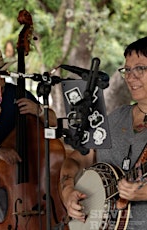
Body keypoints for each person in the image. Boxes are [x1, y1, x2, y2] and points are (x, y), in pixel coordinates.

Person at [60, 36, 147, 229]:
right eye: (127, 70)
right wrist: (67, 191)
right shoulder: (115, 118)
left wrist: (144, 193)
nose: (130, 77)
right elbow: (76, 159)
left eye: (140, 68)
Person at [0, 49, 57, 230]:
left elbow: (53, 121)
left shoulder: (18, 94)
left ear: (4, 76)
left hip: (16, 178)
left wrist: (38, 110)